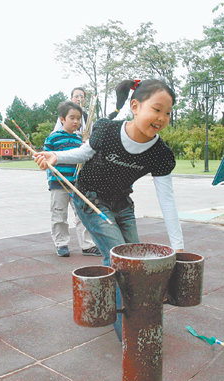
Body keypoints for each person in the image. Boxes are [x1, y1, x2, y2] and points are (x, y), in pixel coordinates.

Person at [35, 79, 184, 341]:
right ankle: (128, 332)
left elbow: (167, 201)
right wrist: (56, 157)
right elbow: (84, 153)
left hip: (122, 203)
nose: (162, 117)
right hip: (90, 198)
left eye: (168, 113)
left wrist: (178, 247)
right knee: (119, 261)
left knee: (136, 261)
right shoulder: (107, 130)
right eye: (157, 109)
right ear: (135, 106)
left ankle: (117, 306)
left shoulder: (160, 154)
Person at [44, 101, 101, 257]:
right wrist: (49, 168)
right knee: (59, 214)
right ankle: (61, 243)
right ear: (62, 119)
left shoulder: (80, 140)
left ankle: (87, 245)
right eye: (72, 118)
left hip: (76, 184)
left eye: (79, 118)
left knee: (82, 214)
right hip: (58, 183)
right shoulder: (53, 138)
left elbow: (84, 160)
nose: (76, 121)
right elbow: (46, 158)